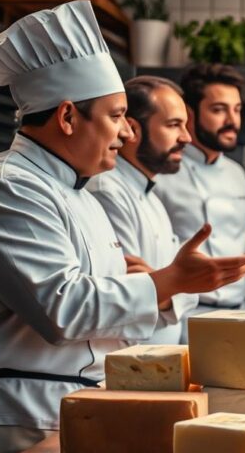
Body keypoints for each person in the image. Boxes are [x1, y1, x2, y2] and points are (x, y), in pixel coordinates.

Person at [0, 1, 245, 453]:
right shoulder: (9, 189)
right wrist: (164, 282)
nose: (125, 132)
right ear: (69, 117)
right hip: (11, 415)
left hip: (66, 409)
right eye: (117, 116)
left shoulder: (77, 191)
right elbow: (64, 309)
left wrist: (156, 286)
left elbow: (106, 311)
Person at [154, 64, 245, 331]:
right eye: (219, 110)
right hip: (184, 318)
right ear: (189, 113)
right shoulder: (162, 172)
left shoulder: (237, 174)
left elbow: (230, 237)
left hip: (240, 314)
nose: (232, 120)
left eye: (237, 109)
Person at [88, 76, 206, 343]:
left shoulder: (152, 196)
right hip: (131, 363)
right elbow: (128, 291)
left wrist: (168, 286)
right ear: (132, 129)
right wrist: (170, 287)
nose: (187, 138)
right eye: (174, 125)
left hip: (158, 362)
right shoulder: (107, 191)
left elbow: (182, 291)